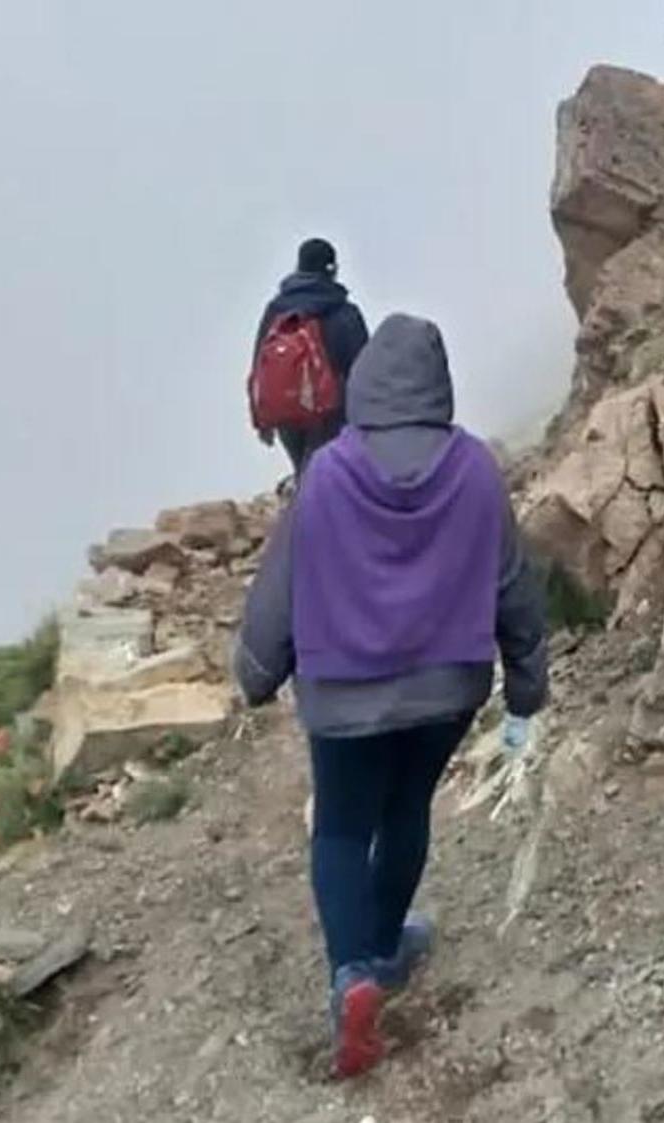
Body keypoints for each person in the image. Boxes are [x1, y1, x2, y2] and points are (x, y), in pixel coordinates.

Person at [233, 313, 548, 1079]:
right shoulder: (475, 467)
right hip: (448, 687)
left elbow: (280, 588)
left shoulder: (329, 475)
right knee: (405, 810)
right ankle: (383, 946)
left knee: (341, 829)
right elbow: (514, 586)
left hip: (344, 693)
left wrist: (254, 671)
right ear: (439, 384)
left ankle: (353, 975)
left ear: (365, 383)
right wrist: (526, 692)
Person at [253, 238, 371, 475]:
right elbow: (363, 370)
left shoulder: (276, 309)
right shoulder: (344, 312)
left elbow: (259, 362)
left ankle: (302, 503)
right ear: (332, 269)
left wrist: (260, 418)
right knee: (323, 475)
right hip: (330, 413)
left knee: (304, 472)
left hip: (285, 410)